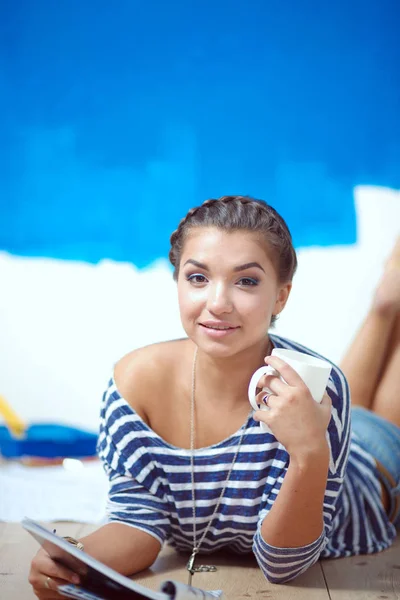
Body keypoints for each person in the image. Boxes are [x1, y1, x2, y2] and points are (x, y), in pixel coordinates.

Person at [28, 196, 400, 598]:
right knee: (379, 327)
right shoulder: (133, 383)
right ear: (178, 283)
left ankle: (387, 301)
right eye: (198, 278)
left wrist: (309, 449)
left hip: (375, 466)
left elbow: (283, 564)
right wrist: (74, 559)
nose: (218, 304)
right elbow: (138, 523)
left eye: (246, 281)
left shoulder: (319, 387)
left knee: (371, 405)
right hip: (343, 428)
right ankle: (386, 302)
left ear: (281, 296)